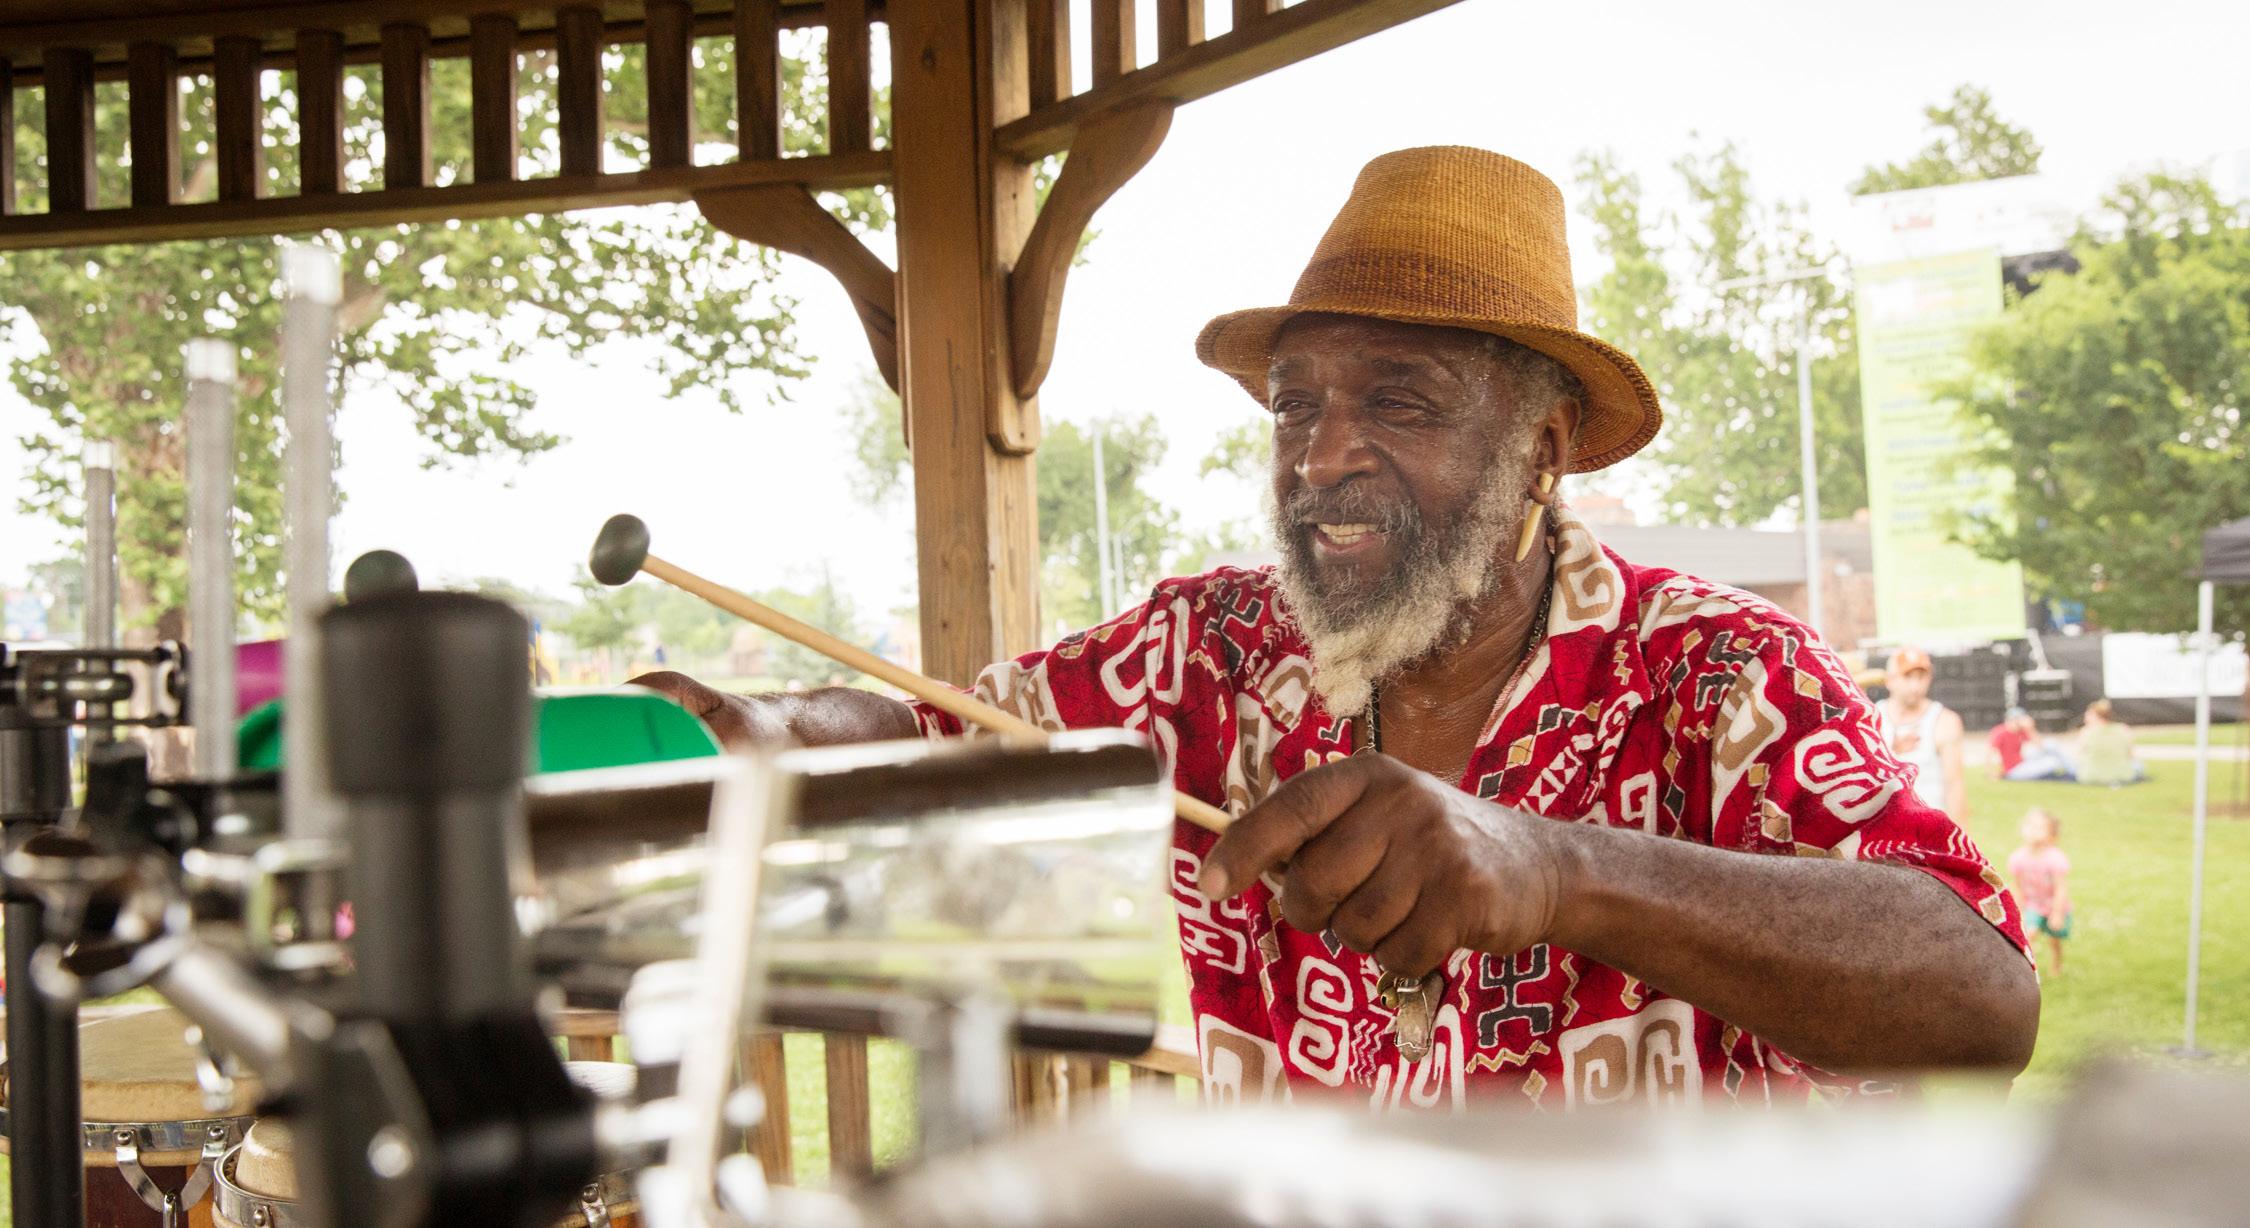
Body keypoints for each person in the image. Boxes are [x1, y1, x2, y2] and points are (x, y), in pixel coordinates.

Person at [637, 148, 2035, 1107]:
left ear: (1545, 446)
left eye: (1399, 400)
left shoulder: (1719, 674)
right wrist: (783, 732)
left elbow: (1982, 1000)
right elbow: (940, 732)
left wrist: (1554, 869)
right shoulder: (1211, 654)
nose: (1319, 457)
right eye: (1295, 404)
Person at [1875, 647, 1968, 820]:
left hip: (1929, 826)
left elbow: (1954, 785)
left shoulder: (1944, 720)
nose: (1915, 686)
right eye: (1908, 677)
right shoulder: (1872, 719)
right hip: (1885, 827)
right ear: (1890, 680)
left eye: (1921, 677)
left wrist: (1960, 833)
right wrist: (1892, 753)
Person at [2006, 809, 2072, 974]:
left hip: (2053, 905)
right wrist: (2019, 910)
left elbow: (2060, 888)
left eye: (2040, 827)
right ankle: (2028, 969)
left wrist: (2057, 913)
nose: (2033, 830)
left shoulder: (2055, 859)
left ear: (2051, 835)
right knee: (2030, 934)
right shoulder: (2018, 858)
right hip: (2033, 905)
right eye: (2030, 825)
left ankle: (2057, 961)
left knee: (2054, 940)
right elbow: (2017, 886)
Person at [2075, 699, 2147, 786]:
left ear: (2095, 715)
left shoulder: (2086, 732)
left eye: (2088, 714)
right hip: (2123, 775)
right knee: (2139, 765)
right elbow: (2131, 755)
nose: (2085, 717)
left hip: (2090, 776)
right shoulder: (2123, 729)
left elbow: (2079, 756)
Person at [1990, 707, 2073, 782]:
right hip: (2014, 771)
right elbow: (1991, 754)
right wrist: (1993, 773)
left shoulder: (2020, 731)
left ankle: (2072, 772)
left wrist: (2030, 729)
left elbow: (2041, 745)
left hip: (2022, 764)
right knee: (2054, 761)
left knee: (2052, 745)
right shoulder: (2001, 732)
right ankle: (2073, 773)